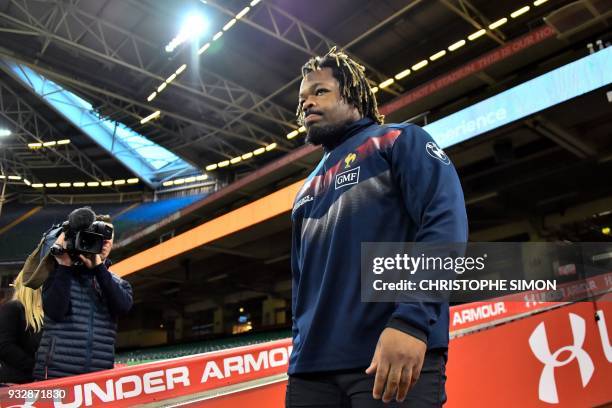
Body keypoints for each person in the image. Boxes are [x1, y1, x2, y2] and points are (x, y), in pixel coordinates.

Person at [287, 47, 468, 407]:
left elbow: (446, 225)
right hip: (310, 372)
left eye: (320, 91)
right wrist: (298, 353)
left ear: (353, 96)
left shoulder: (400, 141)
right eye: (303, 98)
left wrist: (412, 321)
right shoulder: (305, 191)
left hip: (388, 355)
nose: (307, 103)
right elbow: (301, 283)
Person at [32, 214, 133, 380]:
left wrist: (98, 269)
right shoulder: (59, 275)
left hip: (98, 377)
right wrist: (64, 265)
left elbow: (122, 308)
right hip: (56, 374)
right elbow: (55, 312)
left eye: (109, 239)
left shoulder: (119, 283)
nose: (105, 243)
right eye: (100, 238)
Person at [0, 273, 43, 385]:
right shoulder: (13, 309)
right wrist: (34, 366)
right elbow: (4, 346)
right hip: (16, 382)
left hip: (36, 380)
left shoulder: (43, 314)